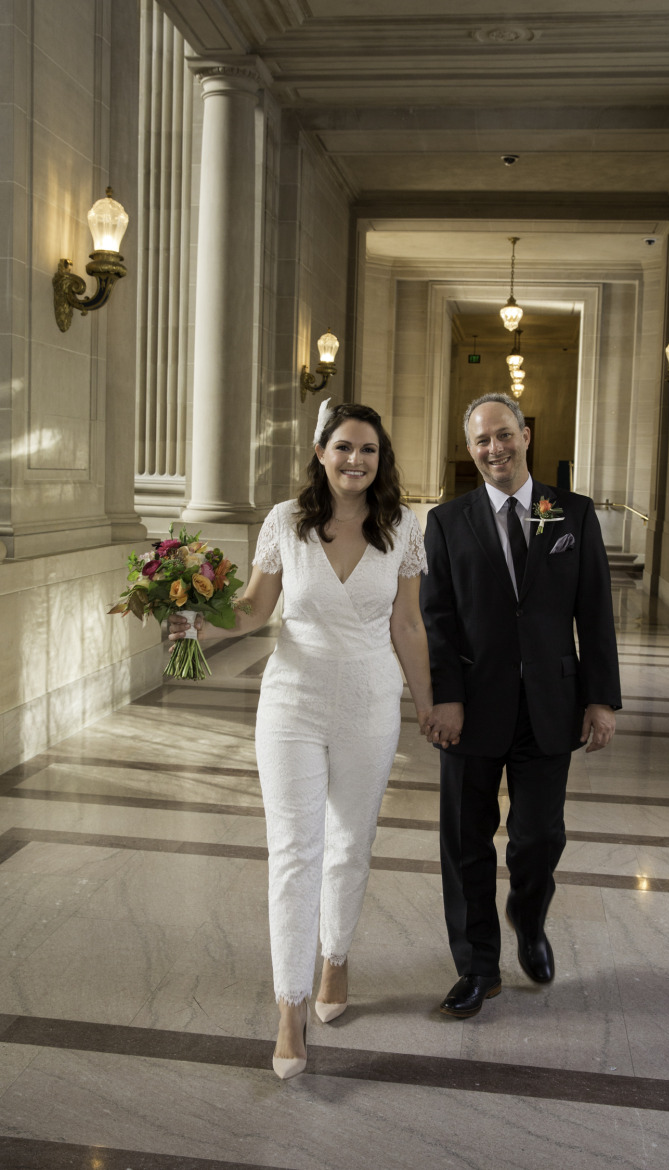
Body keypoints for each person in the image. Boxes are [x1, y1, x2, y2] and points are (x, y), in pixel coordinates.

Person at [169, 401, 432, 1077]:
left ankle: (335, 958)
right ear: (321, 452)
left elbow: (408, 625)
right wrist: (195, 623)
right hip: (292, 700)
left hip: (371, 703)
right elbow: (256, 608)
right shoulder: (286, 521)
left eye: (368, 450)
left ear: (382, 459)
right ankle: (289, 1007)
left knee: (351, 844)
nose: (355, 461)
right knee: (293, 850)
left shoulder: (402, 526)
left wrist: (429, 707)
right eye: (343, 447)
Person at [420, 393, 621, 1019]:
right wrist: (445, 697)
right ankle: (478, 966)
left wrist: (601, 699)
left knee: (539, 839)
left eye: (503, 435)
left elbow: (595, 613)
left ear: (526, 435)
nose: (494, 450)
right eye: (481, 441)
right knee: (465, 841)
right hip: (472, 709)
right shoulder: (446, 522)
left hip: (550, 705)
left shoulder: (572, 515)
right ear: (471, 449)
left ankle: (528, 920)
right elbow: (437, 619)